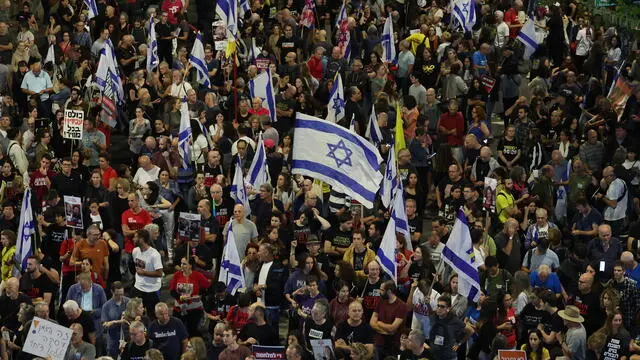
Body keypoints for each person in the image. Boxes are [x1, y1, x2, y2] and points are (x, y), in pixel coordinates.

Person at [131, 229, 164, 315]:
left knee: (153, 315)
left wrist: (144, 273)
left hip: (151, 289)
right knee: (134, 314)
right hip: (138, 287)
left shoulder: (154, 254)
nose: (133, 239)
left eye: (135, 237)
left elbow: (159, 273)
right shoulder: (135, 251)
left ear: (141, 239)